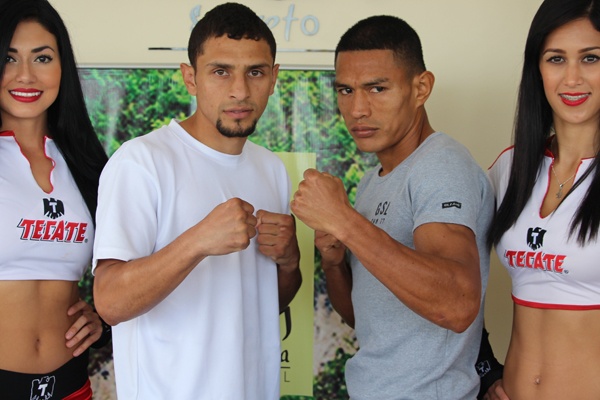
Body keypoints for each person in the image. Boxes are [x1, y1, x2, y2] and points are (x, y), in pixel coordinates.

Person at [92, 3, 302, 399]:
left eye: (255, 72)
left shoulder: (271, 169)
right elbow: (110, 302)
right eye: (221, 71)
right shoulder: (142, 162)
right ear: (190, 77)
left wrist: (290, 262)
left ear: (274, 78)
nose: (240, 91)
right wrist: (197, 241)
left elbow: (262, 305)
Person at [291, 15, 494, 400]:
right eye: (346, 90)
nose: (357, 109)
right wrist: (334, 261)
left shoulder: (440, 165)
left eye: (377, 88)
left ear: (421, 88)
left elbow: (457, 304)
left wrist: (345, 221)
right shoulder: (375, 180)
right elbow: (367, 319)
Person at [483, 0, 600, 398]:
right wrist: (485, 372)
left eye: (590, 58)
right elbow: (454, 274)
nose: (572, 78)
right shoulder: (510, 168)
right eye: (556, 59)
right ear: (537, 68)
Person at [0, 0, 110, 399]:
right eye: (9, 58)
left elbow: (125, 269)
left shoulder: (87, 164)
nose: (25, 75)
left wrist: (102, 320)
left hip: (71, 386)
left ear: (62, 66)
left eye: (42, 58)